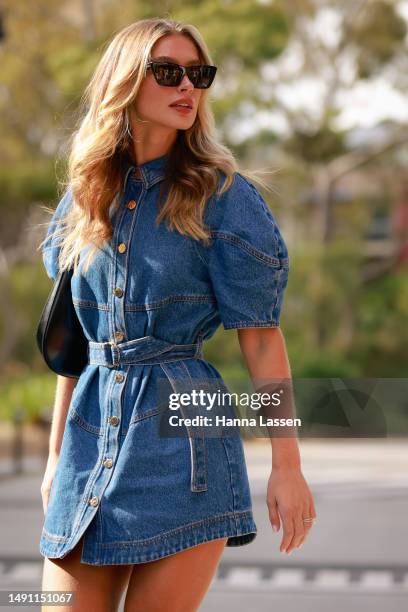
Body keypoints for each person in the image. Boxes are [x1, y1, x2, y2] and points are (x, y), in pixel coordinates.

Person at [38, 17, 316, 612]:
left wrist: (286, 466)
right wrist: (57, 455)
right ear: (127, 82)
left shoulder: (223, 195)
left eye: (198, 73)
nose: (187, 85)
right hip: (90, 440)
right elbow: (75, 341)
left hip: (188, 443)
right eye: (168, 72)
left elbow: (262, 341)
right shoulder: (85, 194)